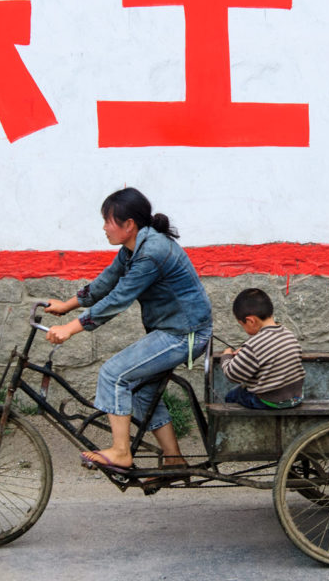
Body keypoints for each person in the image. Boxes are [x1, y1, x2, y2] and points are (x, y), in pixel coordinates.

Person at [44, 187, 212, 475]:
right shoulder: (132, 249)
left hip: (185, 334)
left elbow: (118, 299)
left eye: (108, 221)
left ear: (129, 225)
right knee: (143, 394)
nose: (104, 227)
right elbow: (105, 283)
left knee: (114, 373)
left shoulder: (152, 253)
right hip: (172, 330)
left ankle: (121, 452)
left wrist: (71, 328)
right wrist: (66, 307)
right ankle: (174, 460)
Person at [221, 288, 305, 409]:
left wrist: (226, 355)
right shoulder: (288, 334)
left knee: (233, 395)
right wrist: (245, 352)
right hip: (295, 397)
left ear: (250, 321)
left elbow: (232, 374)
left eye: (242, 325)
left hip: (270, 401)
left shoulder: (254, 345)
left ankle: (235, 424)